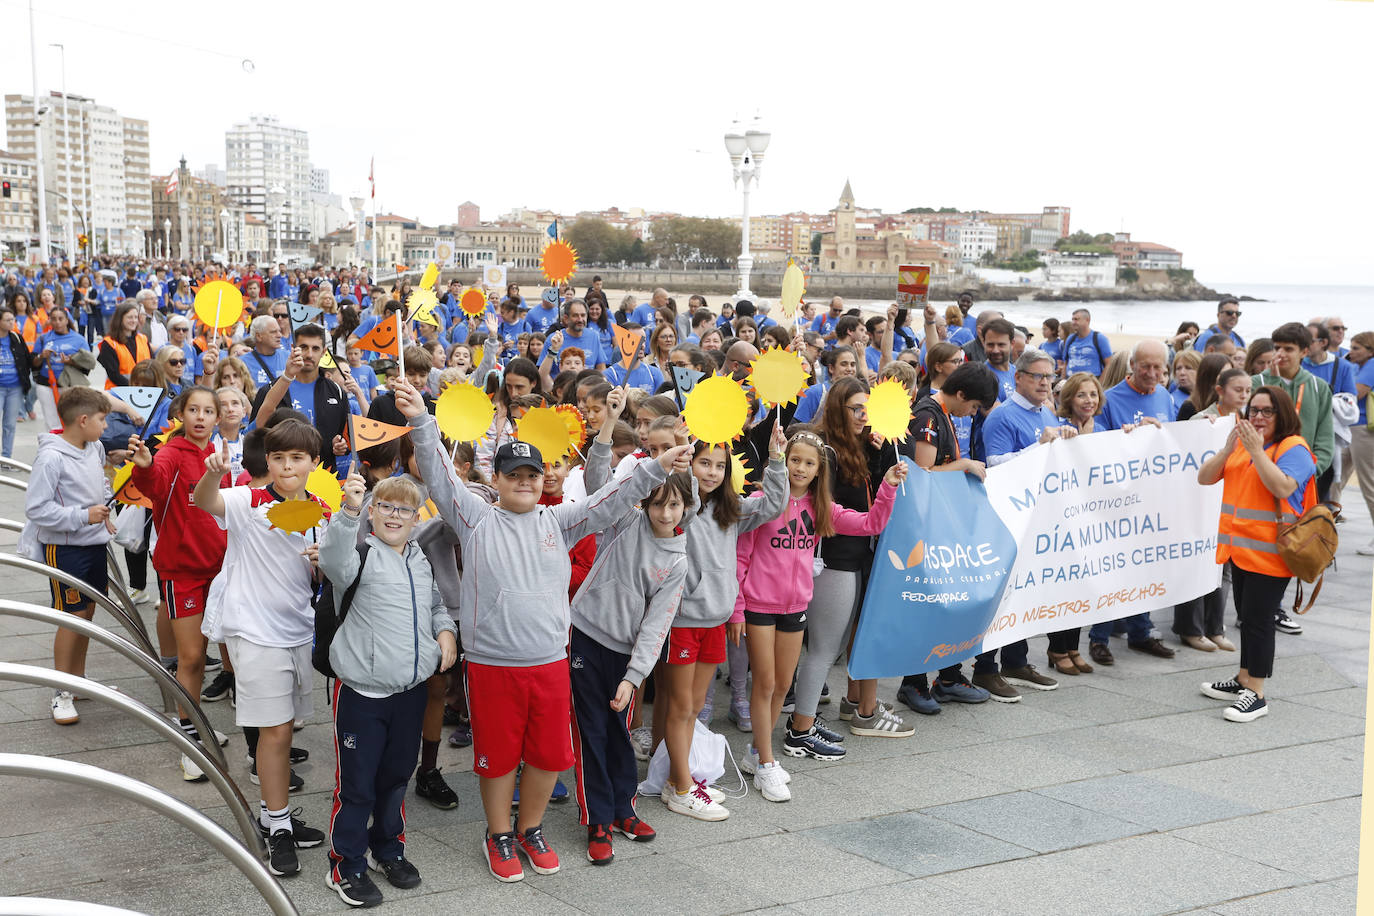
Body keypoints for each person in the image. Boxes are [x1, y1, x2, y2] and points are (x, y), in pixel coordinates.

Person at [400, 380, 692, 882]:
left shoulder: (559, 520)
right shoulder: (475, 518)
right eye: (514, 474)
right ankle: (498, 834)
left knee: (548, 755)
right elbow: (441, 478)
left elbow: (609, 499)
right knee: (497, 759)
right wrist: (422, 422)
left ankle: (531, 828)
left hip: (551, 663)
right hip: (493, 665)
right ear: (498, 477)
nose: (526, 481)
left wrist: (654, 468)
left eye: (533, 474)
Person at [193, 419, 331, 877]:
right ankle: (277, 828)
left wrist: (322, 564)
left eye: (296, 458)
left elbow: (327, 579)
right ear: (267, 462)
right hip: (254, 633)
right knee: (274, 733)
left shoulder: (323, 511)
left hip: (297, 632)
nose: (287, 466)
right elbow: (203, 500)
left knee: (288, 731)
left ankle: (280, 816)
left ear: (314, 462)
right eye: (278, 458)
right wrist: (213, 471)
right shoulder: (247, 499)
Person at [319, 471, 458, 907]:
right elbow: (333, 561)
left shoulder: (418, 557)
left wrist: (446, 631)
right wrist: (348, 511)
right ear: (373, 512)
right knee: (357, 784)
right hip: (363, 692)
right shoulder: (358, 552)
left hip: (411, 690)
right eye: (386, 506)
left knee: (396, 775)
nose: (395, 515)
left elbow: (435, 603)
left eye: (405, 508)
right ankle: (345, 863)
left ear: (416, 517)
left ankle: (387, 848)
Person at [736, 429, 903, 790]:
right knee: (764, 684)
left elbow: (871, 523)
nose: (800, 468)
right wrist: (737, 610)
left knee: (782, 684)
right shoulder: (763, 501)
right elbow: (741, 557)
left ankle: (755, 751)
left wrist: (887, 486)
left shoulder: (822, 508)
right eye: (794, 460)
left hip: (796, 606)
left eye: (809, 463)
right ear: (784, 460)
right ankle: (766, 763)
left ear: (818, 470)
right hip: (759, 605)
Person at [569, 468, 691, 864]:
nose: (666, 513)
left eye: (675, 504)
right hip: (585, 636)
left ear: (686, 507)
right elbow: (599, 480)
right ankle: (598, 820)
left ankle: (624, 809)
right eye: (658, 503)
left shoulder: (677, 561)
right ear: (644, 502)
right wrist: (608, 427)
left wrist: (634, 676)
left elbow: (658, 625)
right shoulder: (625, 520)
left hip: (626, 656)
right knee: (591, 733)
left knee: (619, 731)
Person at [128, 386, 232, 782]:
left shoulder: (222, 452)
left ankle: (198, 725)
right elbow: (154, 485)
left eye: (208, 411)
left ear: (217, 417)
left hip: (222, 570)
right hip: (182, 571)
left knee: (218, 653)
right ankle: (190, 742)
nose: (201, 417)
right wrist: (143, 465)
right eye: (193, 410)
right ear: (182, 415)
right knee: (190, 658)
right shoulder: (170, 453)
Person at [1197, 387, 1316, 722]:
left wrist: (1256, 451)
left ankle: (1257, 693)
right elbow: (1204, 477)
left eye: (1267, 411)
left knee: (1260, 621)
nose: (1258, 417)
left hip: (1272, 553)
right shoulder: (1243, 446)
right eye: (1253, 411)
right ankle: (1243, 679)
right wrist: (1226, 450)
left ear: (1283, 416)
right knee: (1248, 617)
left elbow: (1282, 487)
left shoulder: (1294, 448)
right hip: (1240, 549)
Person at [894, 363, 998, 710]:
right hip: (922, 525)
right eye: (973, 407)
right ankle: (913, 682)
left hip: (940, 522)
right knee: (927, 602)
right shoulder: (927, 414)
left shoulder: (942, 413)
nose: (972, 414)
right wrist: (966, 464)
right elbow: (924, 472)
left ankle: (948, 676)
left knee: (948, 600)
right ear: (961, 394)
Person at [973, 349, 1073, 700]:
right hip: (1007, 517)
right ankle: (985, 668)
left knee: (1026, 589)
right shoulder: (1003, 416)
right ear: (1019, 377)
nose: (1046, 383)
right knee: (1002, 593)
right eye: (1038, 376)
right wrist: (1040, 446)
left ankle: (1017, 660)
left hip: (1036, 515)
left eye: (1050, 377)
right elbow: (996, 464)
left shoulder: (1046, 410)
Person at [26, 387, 115, 725]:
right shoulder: (52, 457)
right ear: (82, 420)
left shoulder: (95, 447)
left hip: (94, 543)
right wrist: (82, 515)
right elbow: (37, 508)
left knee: (87, 611)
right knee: (71, 615)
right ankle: (60, 691)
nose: (105, 426)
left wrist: (106, 508)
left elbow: (101, 487)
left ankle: (76, 680)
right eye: (101, 419)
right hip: (64, 548)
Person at [1090, 341, 1176, 663]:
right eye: (1146, 367)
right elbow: (1098, 447)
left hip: (1151, 499)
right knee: (1113, 570)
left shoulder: (1166, 397)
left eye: (1159, 368)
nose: (1152, 374)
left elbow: (1173, 443)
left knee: (1145, 566)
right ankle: (1099, 638)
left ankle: (1142, 632)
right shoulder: (1109, 399)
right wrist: (1130, 437)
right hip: (1117, 501)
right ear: (1132, 366)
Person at [1250, 322, 1332, 636]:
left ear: (1305, 351)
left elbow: (1325, 439)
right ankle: (1260, 609)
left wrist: (1308, 470)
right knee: (1258, 541)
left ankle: (1275, 608)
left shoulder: (1316, 387)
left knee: (1292, 542)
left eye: (1288, 349)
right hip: (1260, 475)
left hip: (1298, 481)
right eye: (1278, 348)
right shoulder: (1259, 382)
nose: (1281, 354)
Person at [250, 324, 349, 472]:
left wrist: (341, 446)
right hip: (281, 477)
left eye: (315, 349)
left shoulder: (336, 392)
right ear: (293, 348)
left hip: (323, 477)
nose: (309, 354)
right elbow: (256, 437)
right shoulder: (271, 391)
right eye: (303, 347)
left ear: (323, 352)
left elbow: (346, 438)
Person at [29, 304, 89, 430]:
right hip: (46, 385)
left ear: (67, 320)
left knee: (71, 420)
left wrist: (71, 361)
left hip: (70, 385)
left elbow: (87, 366)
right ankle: (52, 447)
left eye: (60, 319)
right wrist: (41, 356)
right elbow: (33, 363)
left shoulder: (79, 339)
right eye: (53, 319)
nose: (57, 322)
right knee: (51, 422)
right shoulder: (43, 338)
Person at [1346, 332, 1374, 555]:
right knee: (1335, 476)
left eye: (1356, 348)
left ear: (1370, 350)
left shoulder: (1371, 365)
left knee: (1369, 485)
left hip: (1362, 429)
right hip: (1351, 428)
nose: (1351, 351)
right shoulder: (1359, 365)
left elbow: (1355, 395)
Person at [0, 309, 34, 456]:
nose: (11, 322)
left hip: (15, 388)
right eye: (7, 320)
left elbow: (27, 359)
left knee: (9, 425)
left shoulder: (16, 338)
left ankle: (6, 457)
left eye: (12, 319)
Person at [97, 300, 151, 389]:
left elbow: (152, 366)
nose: (133, 321)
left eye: (135, 317)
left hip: (143, 391)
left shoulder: (143, 339)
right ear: (120, 319)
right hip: (118, 392)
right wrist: (135, 387)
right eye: (130, 317)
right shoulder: (109, 343)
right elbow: (113, 375)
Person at [1063, 308, 1112, 377]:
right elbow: (1065, 363)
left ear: (1087, 320)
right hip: (1071, 381)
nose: (1073, 322)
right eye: (1072, 319)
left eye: (1076, 319)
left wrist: (1099, 384)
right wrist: (1062, 382)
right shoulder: (1070, 339)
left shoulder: (1099, 338)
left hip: (1091, 382)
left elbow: (1109, 364)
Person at [244, 314, 288, 389]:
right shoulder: (243, 363)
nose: (279, 335)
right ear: (258, 336)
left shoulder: (288, 357)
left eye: (279, 331)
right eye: (273, 332)